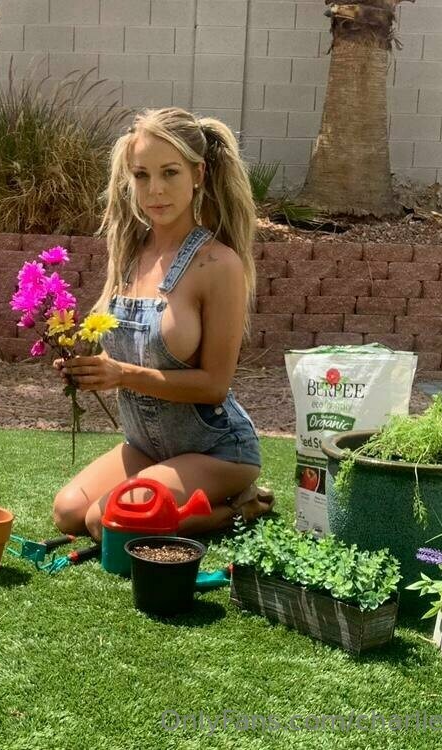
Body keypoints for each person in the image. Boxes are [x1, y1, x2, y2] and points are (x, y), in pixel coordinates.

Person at [52, 107, 274, 542]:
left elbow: (214, 386)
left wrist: (122, 375)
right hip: (147, 446)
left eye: (170, 173)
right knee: (69, 512)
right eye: (142, 175)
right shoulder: (129, 254)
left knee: (106, 522)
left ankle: (241, 506)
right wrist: (87, 367)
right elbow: (130, 351)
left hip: (216, 450)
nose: (155, 190)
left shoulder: (218, 264)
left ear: (198, 174)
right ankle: (166, 489)